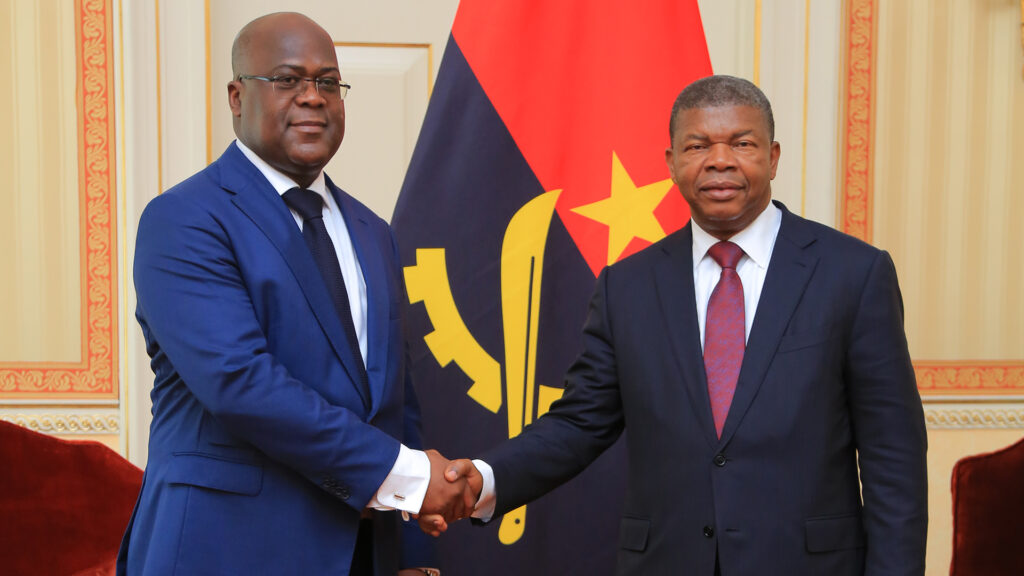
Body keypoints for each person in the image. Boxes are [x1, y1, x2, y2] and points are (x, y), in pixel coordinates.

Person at [435, 75, 928, 575]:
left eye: (742, 143)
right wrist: (483, 480)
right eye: (698, 146)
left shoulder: (853, 274)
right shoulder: (626, 286)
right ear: (672, 163)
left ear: (774, 157)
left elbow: (894, 457)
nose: (719, 160)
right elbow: (580, 423)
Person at [118, 12, 471, 576]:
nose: (312, 97)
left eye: (328, 82)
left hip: (363, 553)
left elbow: (394, 403)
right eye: (287, 79)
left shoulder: (373, 232)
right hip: (225, 550)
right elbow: (241, 383)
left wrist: (413, 553)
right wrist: (408, 477)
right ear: (237, 97)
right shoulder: (184, 220)